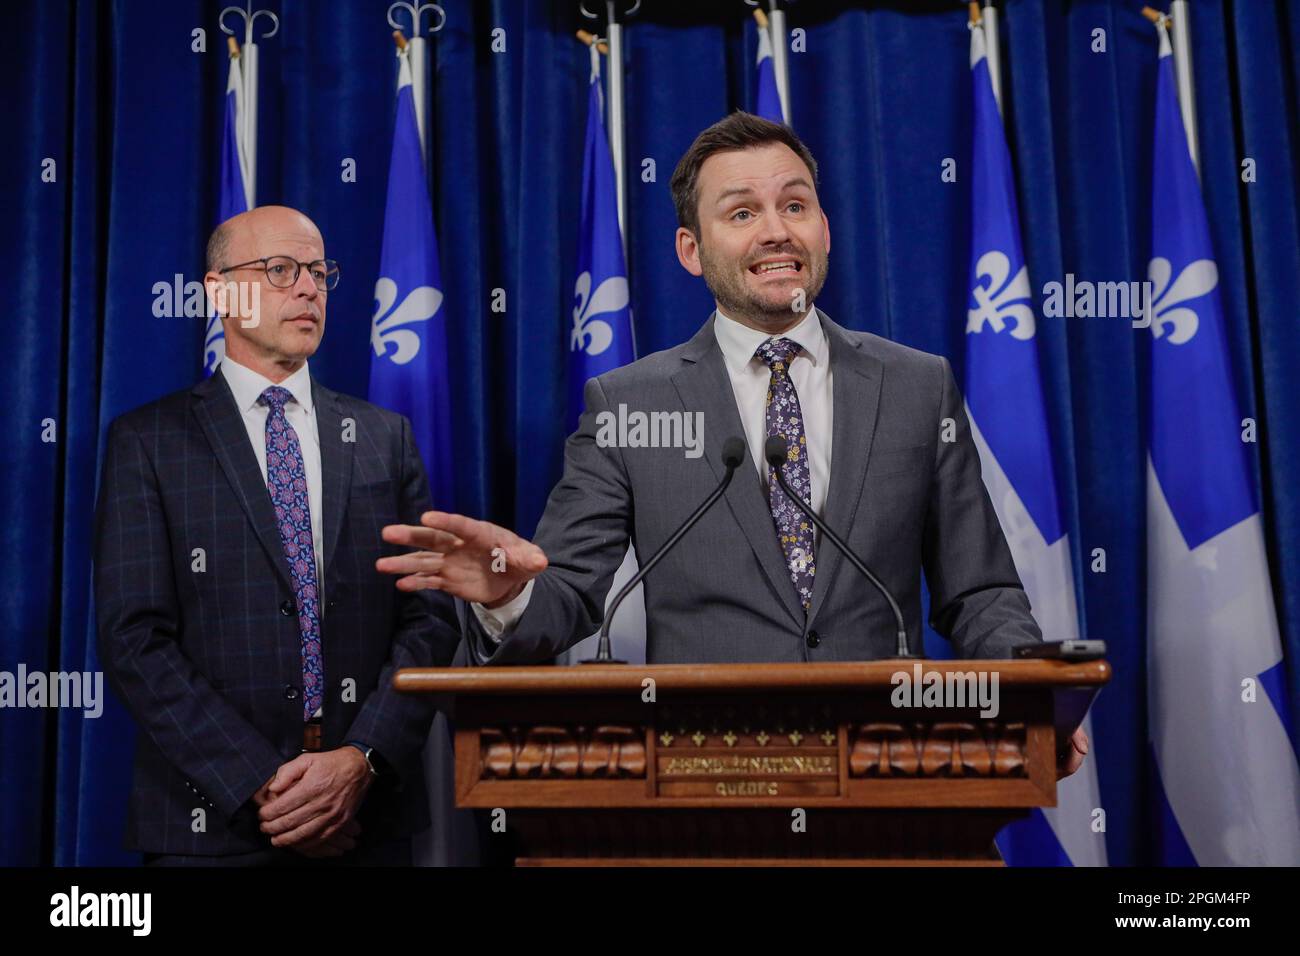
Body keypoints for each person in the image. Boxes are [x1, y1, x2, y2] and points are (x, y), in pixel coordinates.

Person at [377, 112, 1089, 778]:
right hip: (704, 774)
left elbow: (980, 592)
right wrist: (508, 594)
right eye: (742, 212)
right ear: (691, 250)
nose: (776, 231)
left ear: (826, 229)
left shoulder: (917, 387)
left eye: (795, 205)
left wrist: (1031, 698)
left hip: (884, 765)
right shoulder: (630, 404)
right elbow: (566, 593)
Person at [94, 205, 464, 865]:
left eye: (320, 273)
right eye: (282, 270)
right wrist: (262, 784)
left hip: (363, 821)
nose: (309, 289)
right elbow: (135, 640)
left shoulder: (385, 438)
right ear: (219, 291)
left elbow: (429, 618)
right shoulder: (147, 442)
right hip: (208, 826)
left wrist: (360, 760)